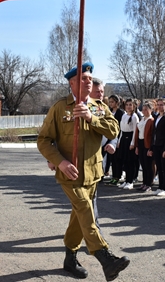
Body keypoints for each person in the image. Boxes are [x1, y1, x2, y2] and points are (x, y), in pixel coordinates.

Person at [37, 62, 130, 280]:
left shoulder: (97, 106)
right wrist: (59, 162)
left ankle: (70, 258)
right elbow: (44, 140)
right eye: (84, 78)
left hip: (93, 173)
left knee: (78, 216)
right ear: (72, 83)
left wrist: (91, 118)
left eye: (90, 78)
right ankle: (105, 257)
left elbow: (114, 129)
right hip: (70, 174)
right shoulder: (60, 107)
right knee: (86, 211)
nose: (89, 81)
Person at [116, 98, 139, 189]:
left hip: (130, 138)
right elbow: (121, 130)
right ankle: (126, 181)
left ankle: (130, 181)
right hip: (124, 138)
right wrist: (119, 141)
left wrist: (133, 143)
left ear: (134, 106)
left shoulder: (134, 117)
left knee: (130, 161)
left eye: (130, 105)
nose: (128, 107)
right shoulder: (124, 116)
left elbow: (135, 131)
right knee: (124, 160)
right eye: (127, 105)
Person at [134, 102, 155, 192]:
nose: (144, 111)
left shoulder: (151, 120)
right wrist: (137, 146)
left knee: (148, 165)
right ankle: (144, 183)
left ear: (151, 110)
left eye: (146, 109)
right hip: (141, 143)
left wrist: (150, 148)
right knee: (143, 165)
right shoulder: (142, 119)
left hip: (148, 144)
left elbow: (152, 135)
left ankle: (148, 184)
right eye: (143, 109)